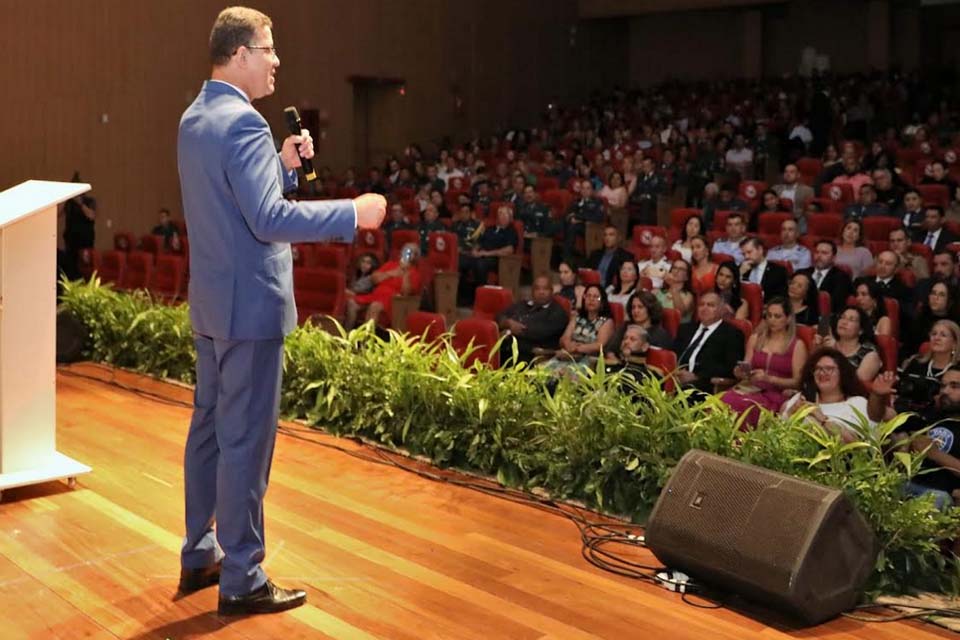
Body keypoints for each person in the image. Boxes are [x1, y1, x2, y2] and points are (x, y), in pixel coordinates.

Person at [177, 7, 385, 616]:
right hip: (251, 308)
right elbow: (267, 221)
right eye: (268, 48)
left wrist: (283, 167)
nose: (276, 60)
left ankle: (200, 549)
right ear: (239, 53)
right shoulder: (243, 124)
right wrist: (353, 212)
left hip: (214, 303)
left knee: (211, 429)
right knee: (246, 442)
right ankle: (242, 576)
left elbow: (237, 203)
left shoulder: (196, 116)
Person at [869, 368, 960, 510]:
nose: (945, 391)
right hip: (904, 483)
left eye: (954, 386)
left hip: (939, 494)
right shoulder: (931, 414)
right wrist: (877, 395)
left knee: (939, 499)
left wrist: (935, 454)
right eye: (943, 386)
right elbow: (879, 415)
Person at [721, 298, 807, 427]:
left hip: (777, 394)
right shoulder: (755, 339)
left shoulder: (797, 345)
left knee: (743, 406)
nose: (772, 320)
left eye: (777, 316)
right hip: (750, 388)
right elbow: (746, 368)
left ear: (788, 319)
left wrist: (769, 379)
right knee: (723, 400)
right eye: (769, 316)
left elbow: (798, 382)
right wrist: (740, 373)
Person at [781, 348, 878, 442]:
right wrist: (791, 412)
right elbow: (779, 433)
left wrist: (821, 419)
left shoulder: (858, 403)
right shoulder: (800, 398)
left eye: (829, 369)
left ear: (842, 373)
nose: (822, 373)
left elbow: (856, 444)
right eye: (818, 369)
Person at [673, 291, 745, 393]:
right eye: (701, 304)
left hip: (705, 383)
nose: (704, 308)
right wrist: (677, 372)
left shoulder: (732, 334)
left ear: (721, 309)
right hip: (676, 376)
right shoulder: (685, 329)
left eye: (710, 305)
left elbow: (730, 367)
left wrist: (697, 376)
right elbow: (673, 353)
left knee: (685, 390)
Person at [496, 274, 568, 365]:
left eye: (545, 289)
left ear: (552, 291)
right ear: (532, 291)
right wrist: (509, 323)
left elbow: (538, 332)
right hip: (509, 349)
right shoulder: (523, 304)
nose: (541, 292)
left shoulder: (557, 312)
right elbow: (499, 316)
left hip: (533, 355)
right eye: (537, 289)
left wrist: (510, 331)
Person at [346, 243, 421, 329]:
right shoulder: (391, 264)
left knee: (375, 306)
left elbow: (405, 293)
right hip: (375, 295)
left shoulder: (415, 273)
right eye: (407, 252)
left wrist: (405, 274)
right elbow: (374, 279)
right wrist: (392, 273)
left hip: (392, 301)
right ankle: (347, 335)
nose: (409, 255)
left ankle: (366, 340)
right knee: (351, 303)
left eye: (413, 253)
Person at [896, 320, 960, 416]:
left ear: (954, 343)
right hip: (906, 412)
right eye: (934, 334)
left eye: (943, 335)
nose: (936, 338)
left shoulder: (957, 370)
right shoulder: (916, 363)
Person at [547, 284, 615, 372]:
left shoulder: (607, 322)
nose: (591, 299)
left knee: (566, 374)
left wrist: (577, 348)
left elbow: (599, 345)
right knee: (544, 373)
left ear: (602, 302)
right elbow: (564, 338)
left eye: (596, 297)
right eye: (588, 296)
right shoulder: (577, 317)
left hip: (589, 361)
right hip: (568, 356)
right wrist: (568, 345)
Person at [815, 306, 882, 382]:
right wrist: (818, 350)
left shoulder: (870, 355)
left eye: (851, 320)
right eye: (842, 317)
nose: (844, 322)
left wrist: (835, 354)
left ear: (861, 330)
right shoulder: (827, 345)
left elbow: (855, 385)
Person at [606, 290, 672, 353]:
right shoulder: (625, 326)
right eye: (633, 307)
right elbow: (610, 350)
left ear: (650, 309)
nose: (636, 311)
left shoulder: (660, 335)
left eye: (640, 307)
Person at [61, 171, 97, 281]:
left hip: (85, 241)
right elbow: (58, 214)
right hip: (71, 240)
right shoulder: (69, 202)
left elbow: (91, 216)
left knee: (84, 267)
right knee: (70, 267)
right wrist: (64, 198)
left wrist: (80, 204)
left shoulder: (89, 201)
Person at [800, 240, 853, 314]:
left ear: (833, 258)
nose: (819, 256)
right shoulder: (801, 273)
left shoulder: (842, 278)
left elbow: (835, 304)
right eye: (817, 252)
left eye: (824, 253)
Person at [586, 225, 634, 289]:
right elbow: (587, 271)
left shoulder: (626, 256)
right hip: (592, 288)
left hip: (611, 290)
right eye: (605, 235)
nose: (607, 238)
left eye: (611, 235)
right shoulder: (595, 254)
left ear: (618, 238)